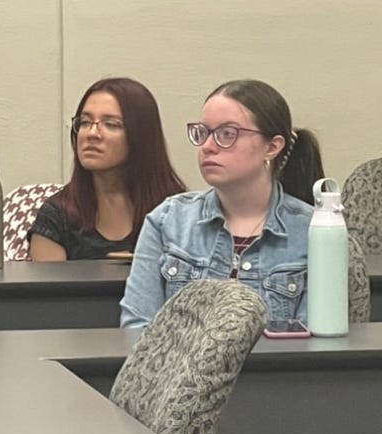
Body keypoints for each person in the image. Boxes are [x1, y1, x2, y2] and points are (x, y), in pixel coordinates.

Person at [120, 79, 325, 328]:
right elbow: (136, 328)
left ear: (272, 147)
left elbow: (314, 344)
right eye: (203, 133)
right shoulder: (168, 220)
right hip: (180, 366)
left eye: (227, 134)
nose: (207, 147)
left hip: (276, 367)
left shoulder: (316, 232)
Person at [28, 78, 186, 261]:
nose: (92, 134)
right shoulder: (57, 215)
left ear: (141, 135)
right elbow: (47, 289)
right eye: (85, 122)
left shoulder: (177, 211)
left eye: (111, 124)